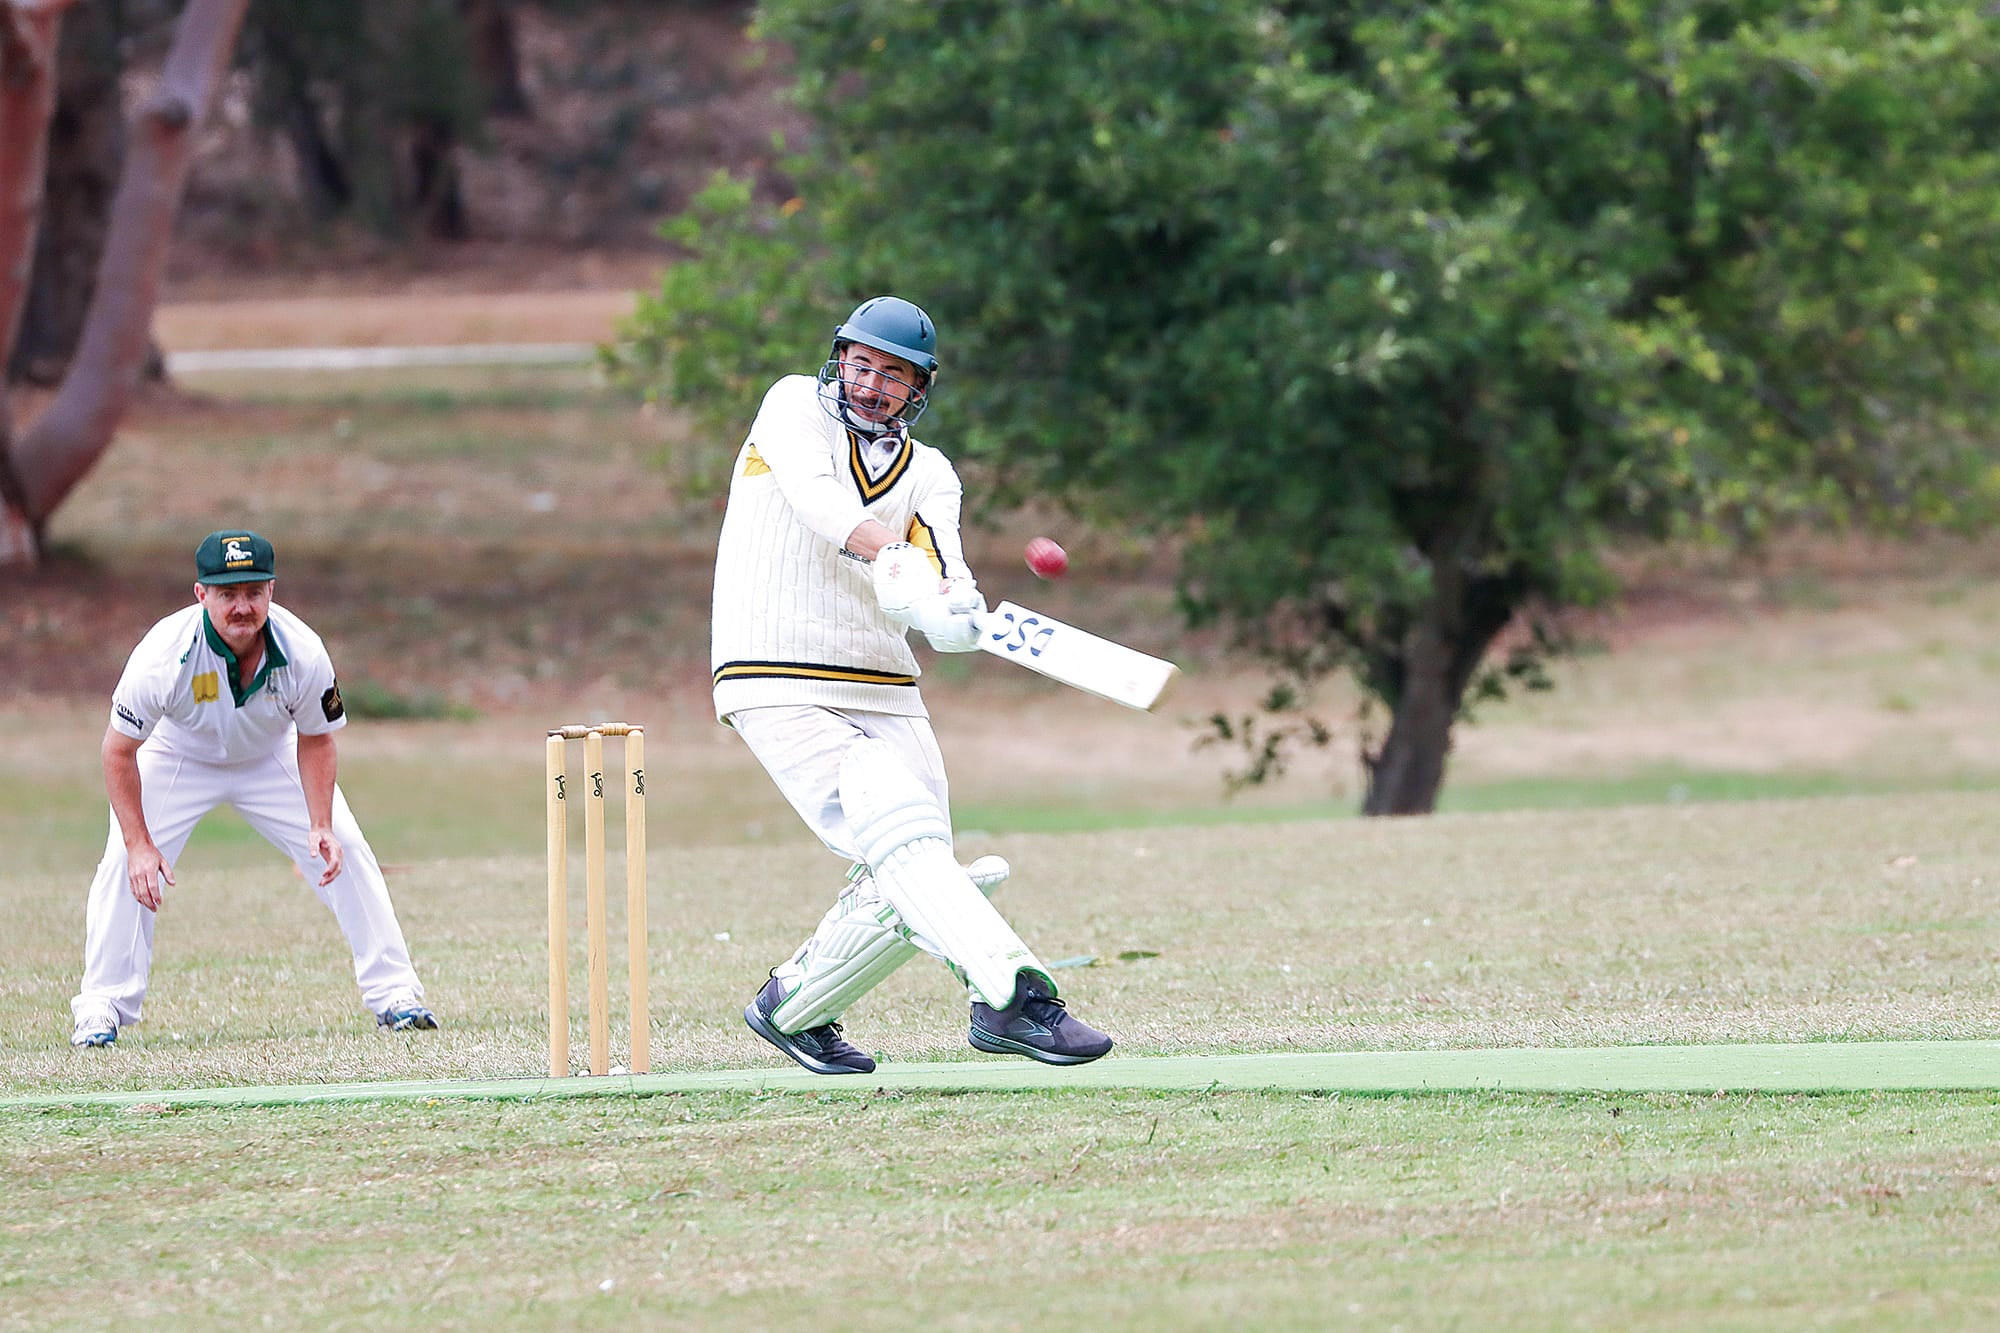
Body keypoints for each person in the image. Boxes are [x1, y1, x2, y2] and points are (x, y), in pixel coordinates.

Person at [712, 295, 1113, 1075]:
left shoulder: (931, 473)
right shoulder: (792, 404)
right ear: (839, 360)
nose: (869, 385)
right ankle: (1013, 996)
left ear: (917, 389)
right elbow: (818, 500)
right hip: (772, 667)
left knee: (908, 864)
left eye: (891, 376)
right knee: (897, 829)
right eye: (860, 365)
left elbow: (942, 575)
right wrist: (892, 558)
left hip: (887, 684)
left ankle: (792, 1006)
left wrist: (955, 613)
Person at [68, 530, 436, 1048]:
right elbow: (118, 751)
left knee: (346, 851)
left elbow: (316, 738)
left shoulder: (303, 651)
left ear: (271, 592)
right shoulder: (163, 655)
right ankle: (102, 1006)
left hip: (271, 754)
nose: (242, 606)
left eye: (253, 592)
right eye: (227, 594)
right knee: (122, 869)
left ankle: (396, 995)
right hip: (178, 755)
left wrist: (321, 824)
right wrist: (138, 846)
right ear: (202, 595)